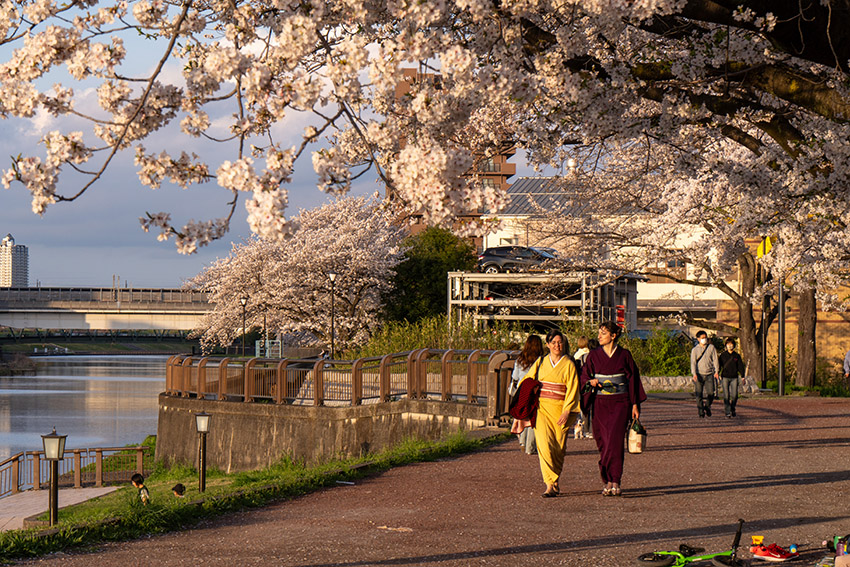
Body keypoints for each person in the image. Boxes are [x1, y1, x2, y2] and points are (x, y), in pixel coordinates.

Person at [580, 321, 646, 497]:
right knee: (602, 441)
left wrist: (634, 404)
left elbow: (633, 379)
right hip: (600, 403)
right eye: (599, 333)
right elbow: (584, 376)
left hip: (620, 403)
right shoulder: (593, 356)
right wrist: (590, 382)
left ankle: (614, 480)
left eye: (603, 333)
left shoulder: (624, 355)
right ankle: (606, 478)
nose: (599, 336)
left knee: (614, 441)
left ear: (613, 336)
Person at [517, 330, 580, 498]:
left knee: (558, 448)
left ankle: (555, 479)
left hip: (560, 409)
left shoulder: (568, 364)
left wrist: (567, 410)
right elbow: (527, 380)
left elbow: (573, 388)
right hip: (542, 409)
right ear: (547, 345)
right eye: (553, 343)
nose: (557, 346)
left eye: (560, 343)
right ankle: (549, 484)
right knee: (544, 446)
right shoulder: (541, 362)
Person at [509, 334, 544, 455]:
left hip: (521, 389)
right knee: (533, 417)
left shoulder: (520, 358)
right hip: (535, 390)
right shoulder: (541, 359)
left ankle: (522, 442)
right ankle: (530, 446)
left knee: (522, 414)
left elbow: (515, 376)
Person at [690, 330, 720, 418]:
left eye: (705, 338)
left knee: (711, 393)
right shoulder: (695, 350)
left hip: (709, 374)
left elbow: (715, 360)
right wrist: (694, 374)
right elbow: (693, 363)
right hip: (699, 374)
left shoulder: (711, 348)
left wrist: (717, 371)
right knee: (699, 394)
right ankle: (700, 411)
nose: (704, 339)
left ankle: (707, 406)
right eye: (702, 338)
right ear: (698, 339)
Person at [718, 338, 745, 418]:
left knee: (735, 395)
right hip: (725, 377)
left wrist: (743, 376)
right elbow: (719, 365)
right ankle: (727, 411)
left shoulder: (737, 356)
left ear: (734, 345)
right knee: (726, 395)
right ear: (726, 345)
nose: (730, 346)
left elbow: (740, 367)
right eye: (728, 344)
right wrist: (717, 373)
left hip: (734, 377)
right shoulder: (723, 355)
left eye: (731, 344)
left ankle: (732, 408)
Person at [572, 336, 593, 440]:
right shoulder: (590, 354)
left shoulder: (576, 355)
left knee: (584, 408)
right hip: (591, 383)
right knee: (592, 407)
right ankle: (591, 430)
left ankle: (584, 429)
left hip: (581, 383)